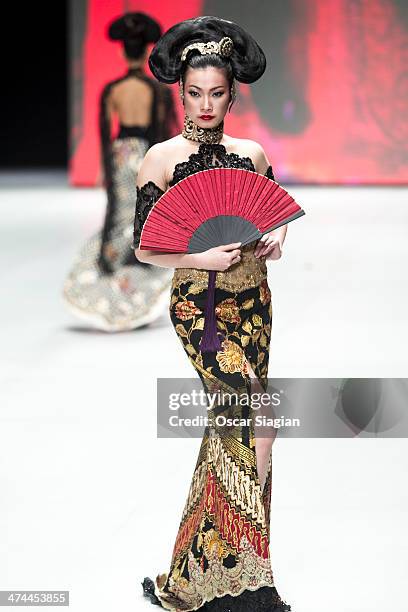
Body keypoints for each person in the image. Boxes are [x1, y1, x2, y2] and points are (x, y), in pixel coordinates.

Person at [133, 16, 291, 611]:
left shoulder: (250, 154)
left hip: (254, 302)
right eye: (194, 93)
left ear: (232, 94)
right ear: (181, 93)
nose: (204, 104)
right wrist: (198, 253)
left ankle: (215, 572)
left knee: (259, 430)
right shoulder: (162, 159)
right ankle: (240, 587)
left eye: (216, 93)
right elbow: (145, 246)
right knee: (242, 419)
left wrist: (275, 241)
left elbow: (271, 220)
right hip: (201, 307)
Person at [63, 12, 179, 331]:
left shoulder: (113, 90)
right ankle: (138, 286)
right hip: (146, 155)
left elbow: (105, 134)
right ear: (146, 52)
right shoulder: (156, 92)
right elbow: (162, 132)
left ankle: (112, 274)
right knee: (145, 216)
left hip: (119, 155)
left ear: (121, 51)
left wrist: (107, 169)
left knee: (118, 217)